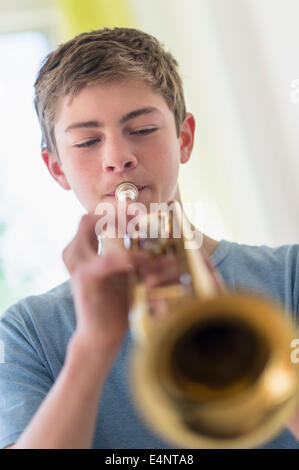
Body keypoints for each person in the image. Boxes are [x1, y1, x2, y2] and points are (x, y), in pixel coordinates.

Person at [0, 27, 298, 450]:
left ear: (185, 138)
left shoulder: (289, 275)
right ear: (57, 170)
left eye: (141, 129)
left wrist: (230, 335)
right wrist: (91, 347)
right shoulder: (30, 330)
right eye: (87, 141)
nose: (118, 158)